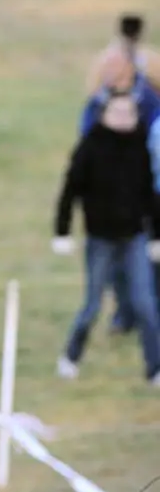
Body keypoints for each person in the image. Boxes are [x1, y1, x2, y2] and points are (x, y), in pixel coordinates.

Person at [52, 91, 160, 387]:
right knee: (92, 306)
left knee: (145, 305)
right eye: (118, 113)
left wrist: (155, 236)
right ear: (105, 115)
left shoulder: (139, 147)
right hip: (101, 240)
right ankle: (70, 357)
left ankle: (155, 369)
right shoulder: (91, 148)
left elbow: (149, 193)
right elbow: (70, 191)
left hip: (134, 237)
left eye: (130, 113)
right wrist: (61, 232)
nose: (124, 119)